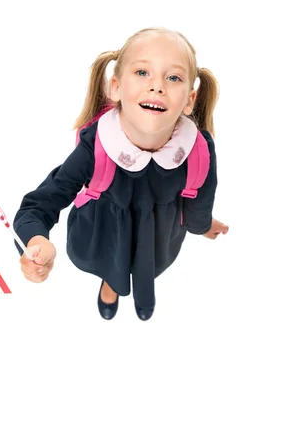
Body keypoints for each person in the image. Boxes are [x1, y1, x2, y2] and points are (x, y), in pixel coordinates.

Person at [13, 26, 229, 321]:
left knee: (149, 265)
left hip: (158, 237)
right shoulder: (96, 146)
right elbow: (40, 205)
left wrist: (202, 225)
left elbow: (200, 197)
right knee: (112, 265)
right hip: (103, 233)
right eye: (142, 72)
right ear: (115, 87)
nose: (157, 86)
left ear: (189, 100)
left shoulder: (198, 150)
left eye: (174, 77)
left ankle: (144, 292)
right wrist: (36, 241)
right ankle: (111, 286)